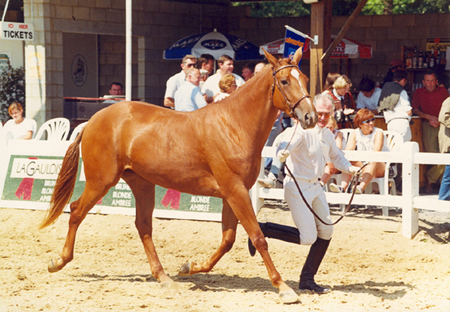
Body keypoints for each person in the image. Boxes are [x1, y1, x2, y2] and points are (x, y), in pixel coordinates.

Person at [251, 93, 360, 294]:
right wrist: (282, 153)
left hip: (316, 186)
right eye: (320, 113)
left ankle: (307, 279)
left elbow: (337, 157)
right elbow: (286, 143)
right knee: (308, 237)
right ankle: (264, 229)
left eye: (327, 114)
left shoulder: (327, 134)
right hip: (298, 186)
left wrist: (350, 169)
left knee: (326, 232)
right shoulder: (301, 130)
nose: (323, 117)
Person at [329, 109, 387, 194]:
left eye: (372, 120)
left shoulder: (378, 132)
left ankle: (360, 187)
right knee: (347, 160)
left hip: (381, 166)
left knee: (373, 160)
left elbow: (376, 152)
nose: (371, 123)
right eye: (368, 121)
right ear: (360, 124)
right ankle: (343, 187)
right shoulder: (355, 133)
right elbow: (348, 151)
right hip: (365, 165)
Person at [412, 70, 450, 193]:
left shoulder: (443, 91)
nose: (430, 83)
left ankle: (430, 180)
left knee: (444, 154)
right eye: (427, 81)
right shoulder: (418, 92)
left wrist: (440, 119)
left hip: (442, 124)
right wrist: (428, 117)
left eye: (432, 80)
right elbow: (415, 110)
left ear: (436, 81)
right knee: (432, 154)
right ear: (423, 82)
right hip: (427, 124)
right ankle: (436, 182)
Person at [378, 70, 412, 142]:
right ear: (403, 80)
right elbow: (408, 111)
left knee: (394, 148)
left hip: (390, 124)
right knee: (403, 149)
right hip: (401, 124)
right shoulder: (402, 92)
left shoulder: (385, 89)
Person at [320, 116, 345, 185]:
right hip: (324, 160)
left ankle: (320, 185)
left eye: (331, 127)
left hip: (337, 161)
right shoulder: (321, 133)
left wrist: (328, 161)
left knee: (330, 167)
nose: (329, 129)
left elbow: (337, 149)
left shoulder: (338, 134)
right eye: (327, 127)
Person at [438, 97, 450, 200]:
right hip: (448, 141)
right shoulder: (448, 101)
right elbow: (443, 117)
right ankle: (443, 198)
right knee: (449, 172)